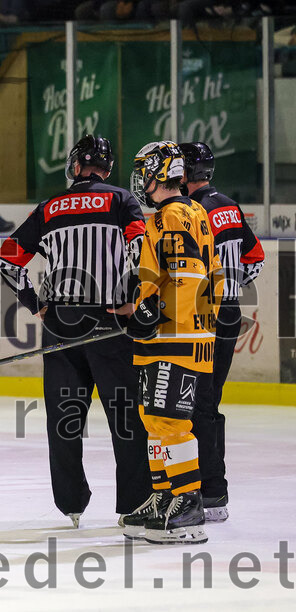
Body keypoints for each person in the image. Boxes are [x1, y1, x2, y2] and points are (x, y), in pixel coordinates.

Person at [0, 134, 150, 528]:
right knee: (126, 418)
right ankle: (133, 505)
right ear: (107, 168)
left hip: (61, 322)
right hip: (110, 321)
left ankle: (72, 504)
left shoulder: (50, 207)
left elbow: (7, 261)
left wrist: (38, 306)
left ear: (76, 166)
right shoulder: (121, 200)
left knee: (64, 420)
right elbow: (141, 251)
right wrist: (132, 298)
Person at [117, 140, 222, 545]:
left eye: (144, 169)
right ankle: (164, 496)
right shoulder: (187, 211)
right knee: (155, 419)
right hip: (171, 334)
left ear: (157, 173)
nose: (139, 177)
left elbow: (189, 271)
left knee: (170, 421)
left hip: (176, 335)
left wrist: (153, 310)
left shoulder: (174, 213)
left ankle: (187, 503)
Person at [180, 141, 264, 522]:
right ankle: (213, 490)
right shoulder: (229, 205)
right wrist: (233, 287)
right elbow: (255, 256)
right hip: (228, 313)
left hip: (203, 315)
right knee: (208, 403)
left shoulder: (194, 211)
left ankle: (210, 491)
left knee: (197, 404)